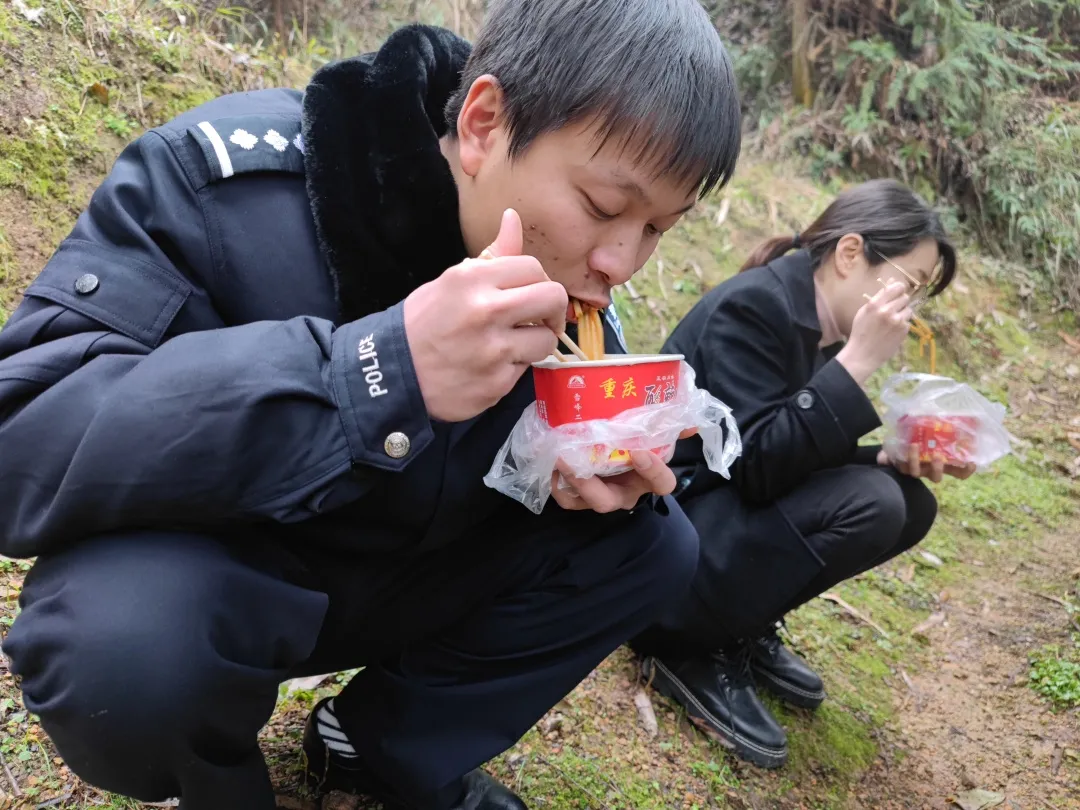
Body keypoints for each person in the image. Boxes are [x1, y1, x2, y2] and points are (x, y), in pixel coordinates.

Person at [0, 3, 743, 809]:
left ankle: (375, 752)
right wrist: (375, 371)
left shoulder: (573, 297)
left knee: (647, 544)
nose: (619, 262)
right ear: (486, 123)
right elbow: (23, 436)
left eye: (657, 228)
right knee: (125, 653)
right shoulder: (228, 188)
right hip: (229, 578)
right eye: (603, 207)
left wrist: (569, 474)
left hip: (401, 575)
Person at [630, 179, 975, 769]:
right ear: (849, 254)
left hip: (725, 516)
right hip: (667, 537)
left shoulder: (821, 324)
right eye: (910, 285)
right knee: (878, 504)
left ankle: (743, 621)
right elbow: (759, 468)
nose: (910, 309)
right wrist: (859, 362)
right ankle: (683, 643)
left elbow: (793, 456)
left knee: (908, 500)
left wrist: (885, 457)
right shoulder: (755, 308)